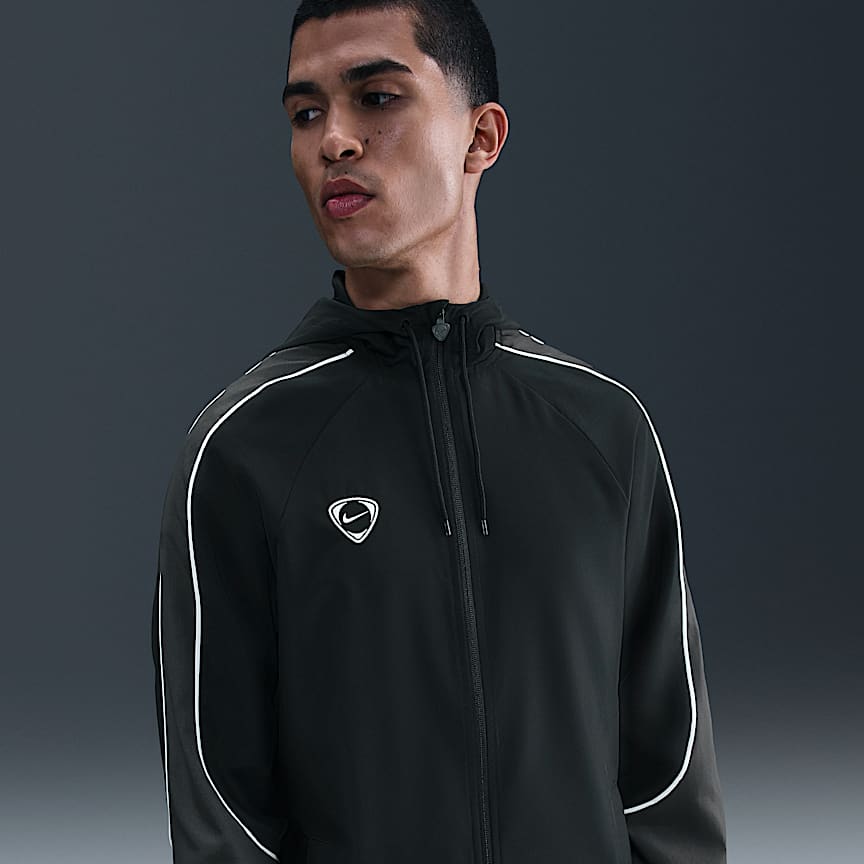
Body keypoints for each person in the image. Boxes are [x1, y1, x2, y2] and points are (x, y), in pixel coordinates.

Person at [150, 1, 728, 861]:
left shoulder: (606, 430)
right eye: (305, 113)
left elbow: (667, 781)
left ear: (480, 137)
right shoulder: (242, 449)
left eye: (377, 98)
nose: (333, 141)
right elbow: (223, 819)